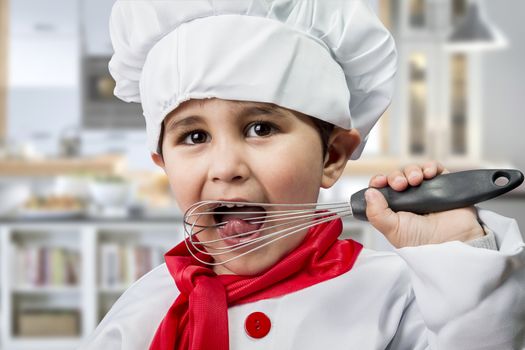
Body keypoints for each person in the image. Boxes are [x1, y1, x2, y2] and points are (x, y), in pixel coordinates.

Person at [79, 1, 525, 349]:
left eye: (261, 128)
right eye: (194, 137)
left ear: (332, 155)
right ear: (163, 165)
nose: (226, 168)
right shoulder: (142, 312)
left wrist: (463, 255)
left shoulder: (398, 296)